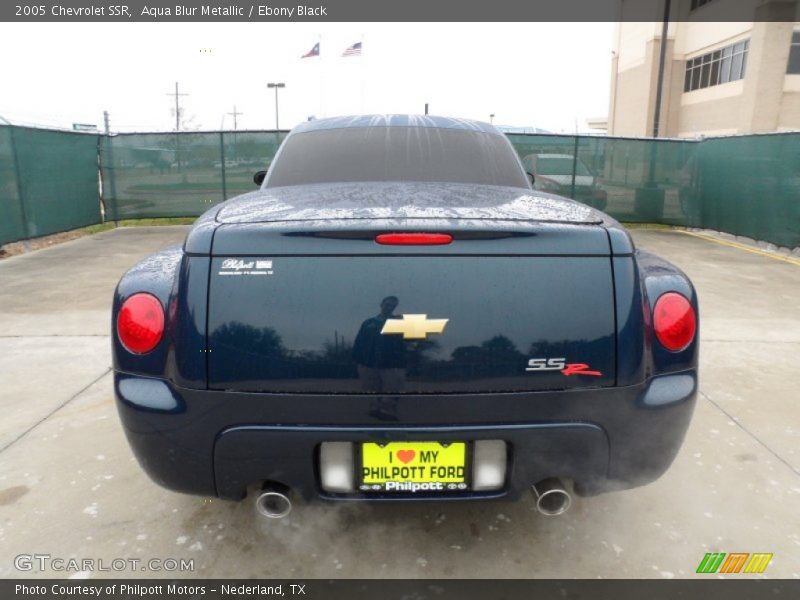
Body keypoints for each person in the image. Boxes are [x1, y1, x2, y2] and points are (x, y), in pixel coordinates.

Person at [352, 296, 406, 392]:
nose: (389, 307)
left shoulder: (400, 323)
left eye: (393, 306)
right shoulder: (368, 323)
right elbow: (359, 341)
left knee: (392, 394)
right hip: (368, 364)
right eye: (387, 305)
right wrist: (356, 358)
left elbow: (408, 341)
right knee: (371, 393)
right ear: (381, 304)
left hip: (392, 365)